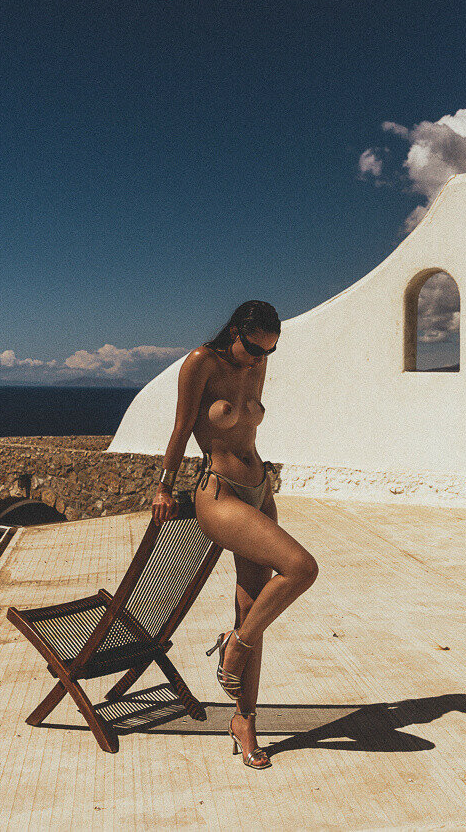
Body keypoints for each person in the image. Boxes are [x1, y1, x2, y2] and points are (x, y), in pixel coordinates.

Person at [151, 300, 318, 769]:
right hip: (219, 491)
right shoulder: (201, 362)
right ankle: (235, 645)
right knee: (301, 568)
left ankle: (245, 721)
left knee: (253, 610)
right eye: (254, 348)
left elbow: (247, 426)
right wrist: (163, 487)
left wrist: (263, 488)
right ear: (234, 333)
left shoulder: (257, 363)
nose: (260, 358)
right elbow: (182, 427)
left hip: (259, 489)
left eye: (270, 351)